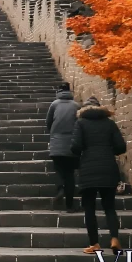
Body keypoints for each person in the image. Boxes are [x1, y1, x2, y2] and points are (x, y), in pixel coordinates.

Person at [71, 96, 127, 255]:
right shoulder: (109, 123)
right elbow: (121, 147)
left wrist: (83, 152)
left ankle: (94, 244)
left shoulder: (80, 123)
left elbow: (75, 146)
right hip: (108, 167)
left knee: (89, 208)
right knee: (109, 207)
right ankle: (115, 238)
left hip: (88, 169)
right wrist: (108, 151)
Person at [45, 82, 80, 213]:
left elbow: (48, 122)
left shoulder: (54, 104)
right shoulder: (76, 105)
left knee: (59, 169)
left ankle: (60, 188)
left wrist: (54, 134)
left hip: (57, 143)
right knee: (70, 174)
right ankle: (70, 206)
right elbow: (79, 124)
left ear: (58, 91)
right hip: (71, 144)